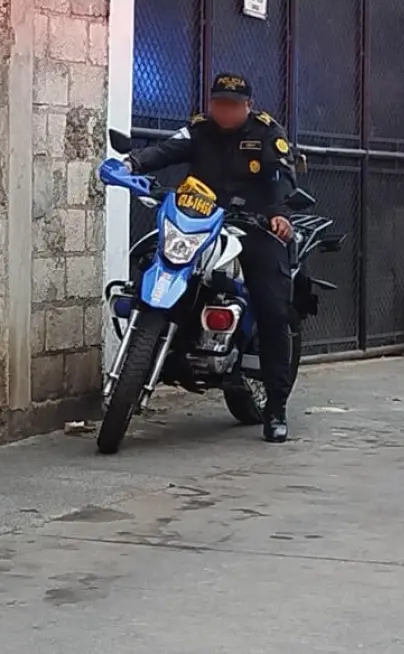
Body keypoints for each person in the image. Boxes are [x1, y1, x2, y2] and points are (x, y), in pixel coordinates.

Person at [126, 73, 297, 443]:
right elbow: (165, 150)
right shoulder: (199, 130)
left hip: (254, 225)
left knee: (272, 308)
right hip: (199, 222)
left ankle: (276, 408)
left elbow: (282, 176)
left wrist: (279, 213)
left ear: (248, 105)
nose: (224, 110)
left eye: (233, 104)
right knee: (147, 259)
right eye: (218, 102)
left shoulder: (267, 133)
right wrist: (131, 165)